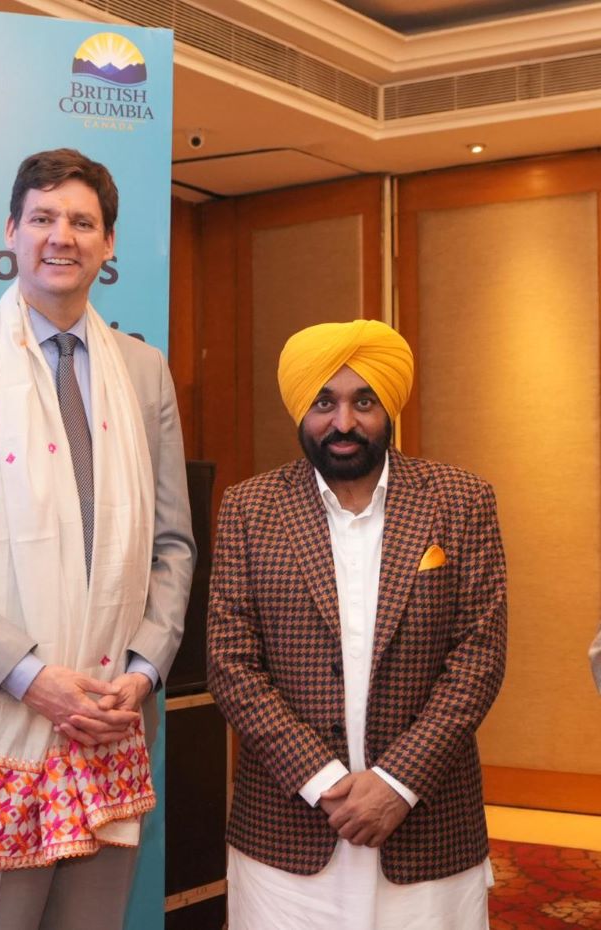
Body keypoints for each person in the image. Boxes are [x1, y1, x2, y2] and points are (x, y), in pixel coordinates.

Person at [0, 148, 195, 930]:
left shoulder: (144, 371)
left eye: (82, 222)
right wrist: (30, 677)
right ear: (11, 232)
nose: (63, 237)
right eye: (44, 218)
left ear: (108, 243)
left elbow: (173, 546)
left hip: (111, 722)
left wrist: (143, 672)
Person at [207, 320, 507, 930]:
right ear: (301, 409)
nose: (343, 422)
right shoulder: (250, 507)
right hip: (288, 830)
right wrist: (322, 782)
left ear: (388, 407)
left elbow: (478, 658)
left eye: (363, 402)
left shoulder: (461, 499)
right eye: (324, 402)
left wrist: (398, 782)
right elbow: (230, 662)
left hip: (427, 826)